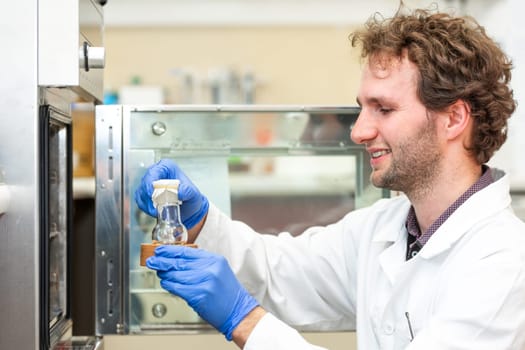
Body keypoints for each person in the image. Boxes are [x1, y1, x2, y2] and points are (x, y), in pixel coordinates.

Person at [134, 5, 525, 350]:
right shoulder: (384, 229)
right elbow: (278, 275)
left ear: (454, 118)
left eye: (383, 109)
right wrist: (200, 220)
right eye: (362, 108)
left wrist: (246, 322)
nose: (358, 131)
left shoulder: (503, 263)